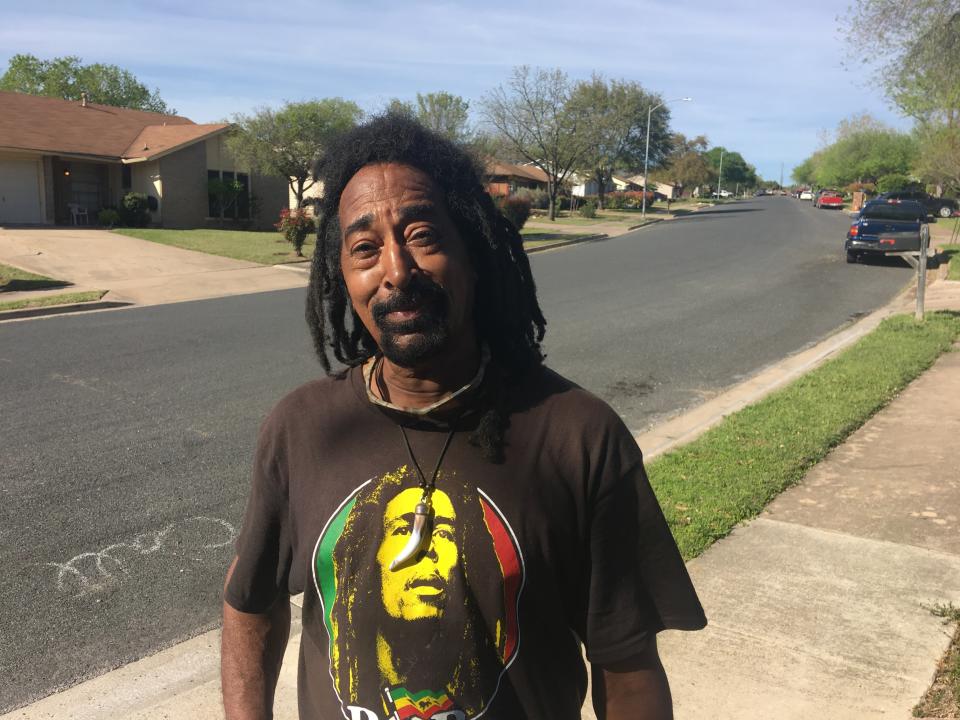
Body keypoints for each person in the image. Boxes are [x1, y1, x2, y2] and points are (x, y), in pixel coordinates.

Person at [221, 113, 706, 720]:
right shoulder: (301, 428)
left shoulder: (579, 436)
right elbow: (249, 600)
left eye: (422, 235)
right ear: (343, 278)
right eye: (365, 249)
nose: (396, 271)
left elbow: (628, 667)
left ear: (473, 253)